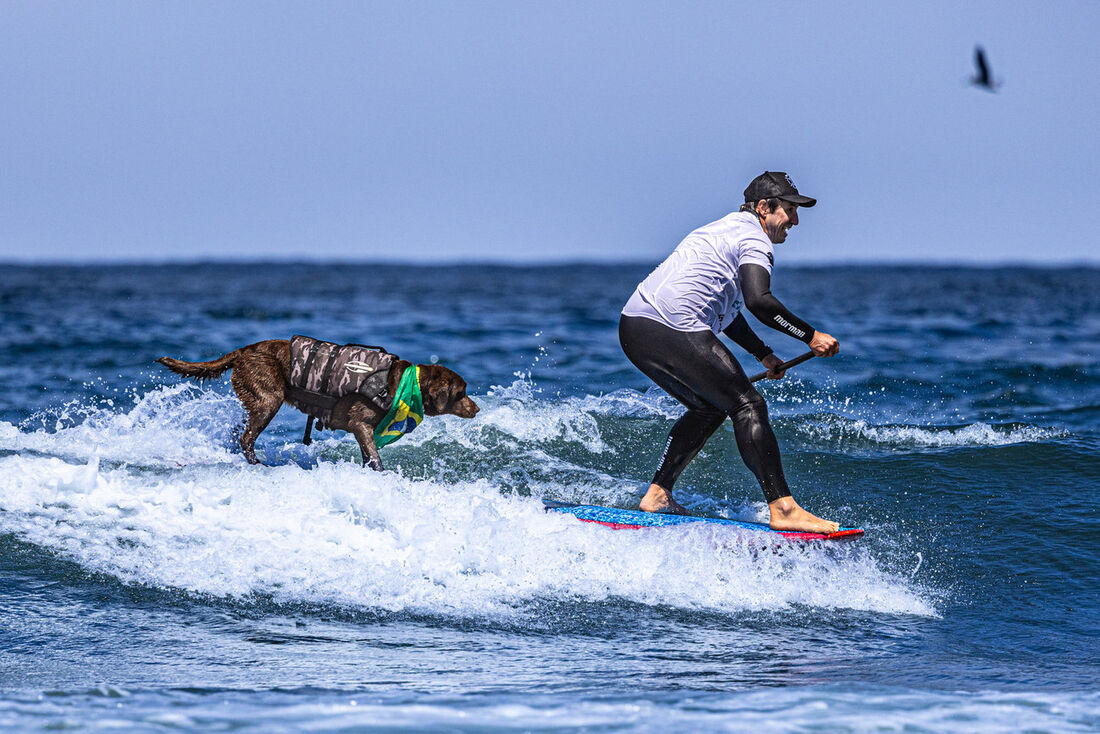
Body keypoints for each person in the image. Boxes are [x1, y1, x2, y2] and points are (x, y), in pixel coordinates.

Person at [619, 171, 841, 533]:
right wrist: (810, 335)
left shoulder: (723, 230)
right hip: (671, 323)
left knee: (711, 406)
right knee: (748, 405)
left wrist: (764, 354)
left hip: (636, 326)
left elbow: (730, 310)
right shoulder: (754, 239)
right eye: (789, 210)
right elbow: (759, 301)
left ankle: (658, 494)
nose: (795, 220)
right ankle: (783, 508)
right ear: (764, 207)